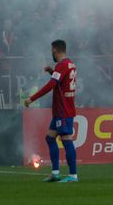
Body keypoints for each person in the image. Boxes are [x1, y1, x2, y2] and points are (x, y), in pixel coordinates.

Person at [23, 39, 79, 183]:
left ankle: (73, 175)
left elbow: (52, 85)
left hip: (63, 110)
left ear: (55, 50)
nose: (51, 54)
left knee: (66, 140)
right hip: (63, 109)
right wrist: (51, 71)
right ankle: (55, 173)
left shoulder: (61, 65)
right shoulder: (70, 64)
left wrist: (32, 98)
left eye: (51, 51)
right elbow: (61, 80)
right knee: (50, 138)